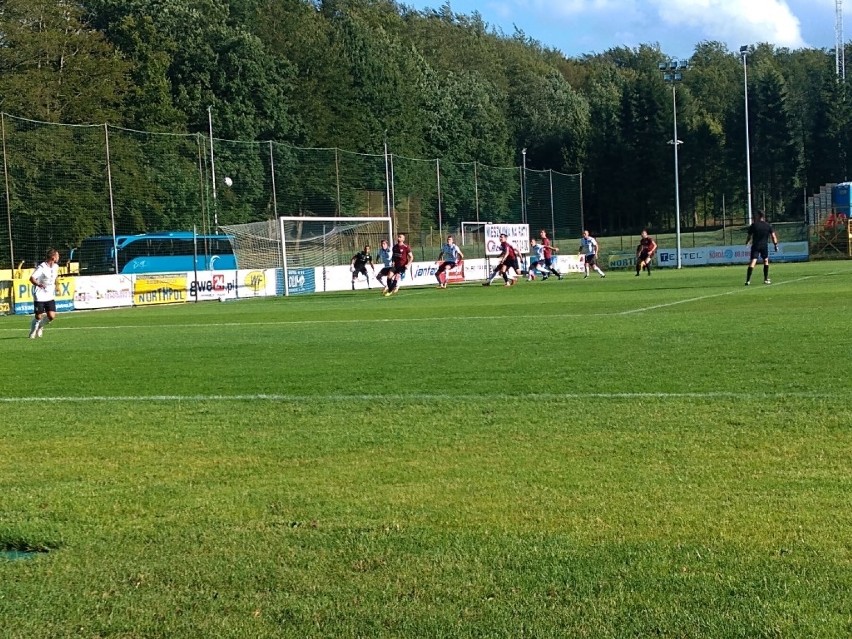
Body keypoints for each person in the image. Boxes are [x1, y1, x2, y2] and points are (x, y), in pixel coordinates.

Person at [28, 248, 60, 339]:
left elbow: (55, 278)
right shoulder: (42, 267)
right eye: (57, 255)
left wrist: (57, 286)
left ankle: (40, 326)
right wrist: (38, 284)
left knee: (51, 316)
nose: (58, 257)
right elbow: (32, 278)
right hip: (40, 294)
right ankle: (33, 330)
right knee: (38, 316)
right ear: (53, 257)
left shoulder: (56, 267)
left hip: (49, 294)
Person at [745, 210, 779, 286]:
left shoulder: (754, 225)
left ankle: (748, 280)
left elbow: (749, 236)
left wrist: (747, 242)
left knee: (753, 261)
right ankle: (766, 279)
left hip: (755, 245)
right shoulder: (768, 225)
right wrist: (775, 245)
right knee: (766, 261)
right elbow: (773, 236)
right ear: (763, 216)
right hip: (764, 246)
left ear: (758, 216)